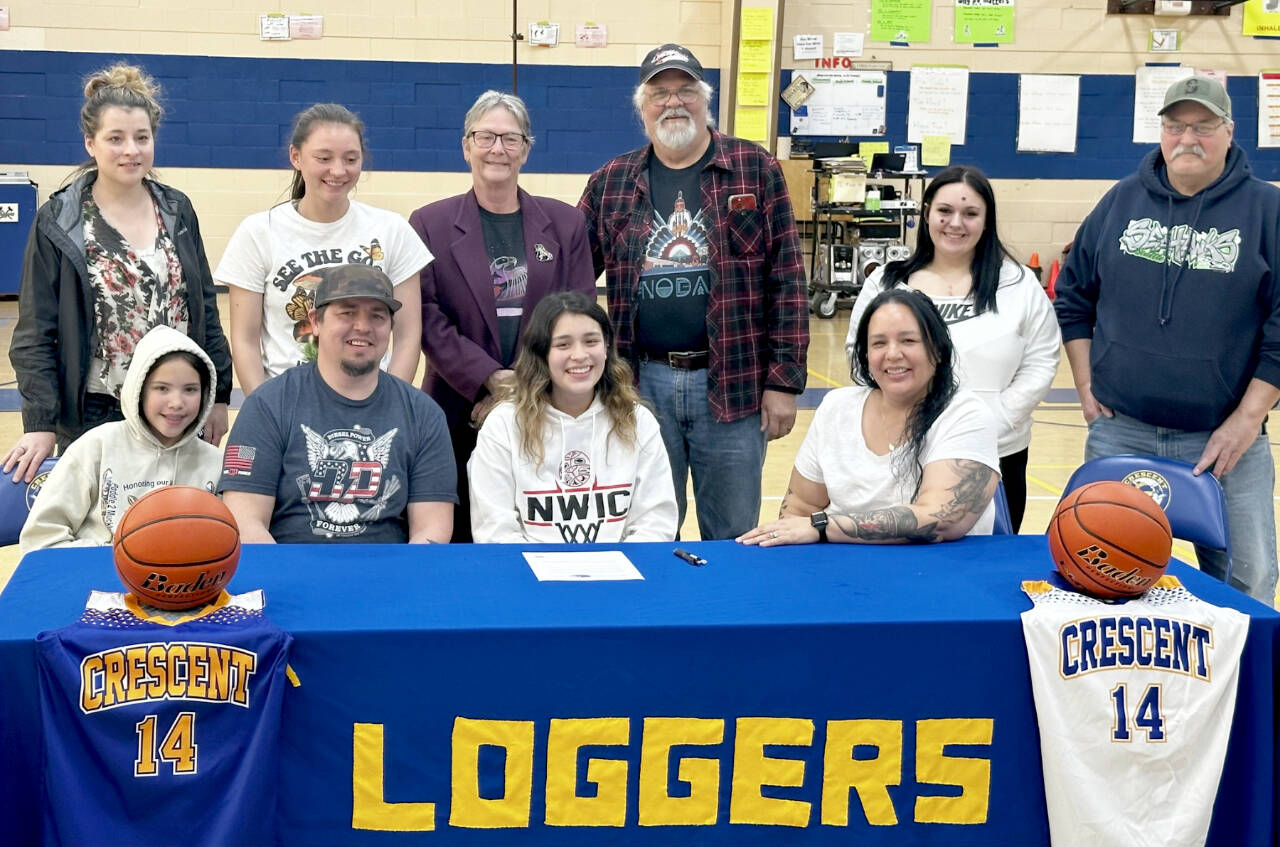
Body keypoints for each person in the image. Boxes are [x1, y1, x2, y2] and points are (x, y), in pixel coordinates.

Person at [1054, 75, 1280, 606]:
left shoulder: (1266, 211)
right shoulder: (1120, 201)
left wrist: (1246, 420)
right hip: (1121, 434)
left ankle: (1241, 689)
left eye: (1202, 126)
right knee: (1102, 576)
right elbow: (1074, 296)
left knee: (1247, 582)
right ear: (1161, 131)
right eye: (1176, 125)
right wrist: (1086, 385)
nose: (1188, 138)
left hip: (1224, 442)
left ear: (1228, 132)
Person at [578, 43, 808, 540]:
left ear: (706, 100)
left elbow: (788, 278)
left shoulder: (755, 168)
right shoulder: (611, 182)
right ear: (642, 106)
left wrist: (784, 381)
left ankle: (729, 616)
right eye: (659, 93)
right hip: (639, 387)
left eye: (685, 90)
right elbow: (573, 283)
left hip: (734, 384)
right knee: (644, 530)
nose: (673, 102)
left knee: (733, 535)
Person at [4, 63, 233, 483]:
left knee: (176, 532)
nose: (131, 150)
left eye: (141, 138)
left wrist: (217, 396)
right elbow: (36, 330)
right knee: (100, 533)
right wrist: (40, 422)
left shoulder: (177, 209)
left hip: (176, 406)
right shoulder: (60, 220)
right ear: (90, 143)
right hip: (97, 410)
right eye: (116, 138)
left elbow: (203, 307)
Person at [409, 90, 596, 543]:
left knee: (535, 529)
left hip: (545, 406)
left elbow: (579, 312)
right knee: (458, 532)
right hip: (458, 408)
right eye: (486, 137)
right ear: (466, 146)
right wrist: (489, 378)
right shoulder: (429, 223)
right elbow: (426, 316)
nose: (498, 149)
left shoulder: (565, 223)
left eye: (511, 139)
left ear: (526, 150)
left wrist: (524, 385)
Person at [844, 165, 1060, 532]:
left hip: (997, 451)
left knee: (984, 563)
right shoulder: (887, 281)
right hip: (901, 449)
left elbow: (1041, 360)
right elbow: (859, 353)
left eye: (970, 213)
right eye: (945, 211)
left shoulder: (1018, 283)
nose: (955, 223)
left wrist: (995, 421)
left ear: (987, 221)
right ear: (927, 212)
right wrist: (900, 420)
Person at [739, 289, 999, 546]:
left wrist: (821, 527)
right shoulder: (836, 407)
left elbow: (940, 520)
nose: (893, 354)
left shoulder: (967, 415)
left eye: (908, 341)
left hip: (941, 573)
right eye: (879, 343)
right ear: (865, 355)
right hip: (845, 572)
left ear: (938, 350)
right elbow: (800, 506)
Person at [218, 265, 456, 544]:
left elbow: (432, 530)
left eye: (377, 316)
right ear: (315, 322)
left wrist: (398, 584)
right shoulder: (267, 405)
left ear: (390, 327)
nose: (363, 326)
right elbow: (245, 522)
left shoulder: (423, 415)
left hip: (389, 578)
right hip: (293, 576)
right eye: (347, 312)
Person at [217, 103, 430, 395]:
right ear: (296, 156)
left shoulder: (392, 231)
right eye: (324, 158)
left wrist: (389, 407)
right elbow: (244, 341)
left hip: (369, 403)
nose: (338, 170)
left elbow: (408, 337)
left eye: (351, 158)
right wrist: (263, 412)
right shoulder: (258, 233)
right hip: (285, 404)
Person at [469, 291, 678, 543]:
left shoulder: (637, 420)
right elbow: (494, 530)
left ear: (606, 347)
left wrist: (611, 573)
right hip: (531, 576)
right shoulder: (503, 424)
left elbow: (655, 521)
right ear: (541, 352)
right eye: (563, 344)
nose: (579, 355)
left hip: (619, 576)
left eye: (591, 341)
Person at [18, 325, 222, 554]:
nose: (176, 402)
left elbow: (229, 544)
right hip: (96, 580)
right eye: (162, 388)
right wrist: (119, 557)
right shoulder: (95, 447)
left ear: (205, 394)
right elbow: (40, 540)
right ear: (139, 390)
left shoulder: (215, 462)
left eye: (190, 390)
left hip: (187, 585)